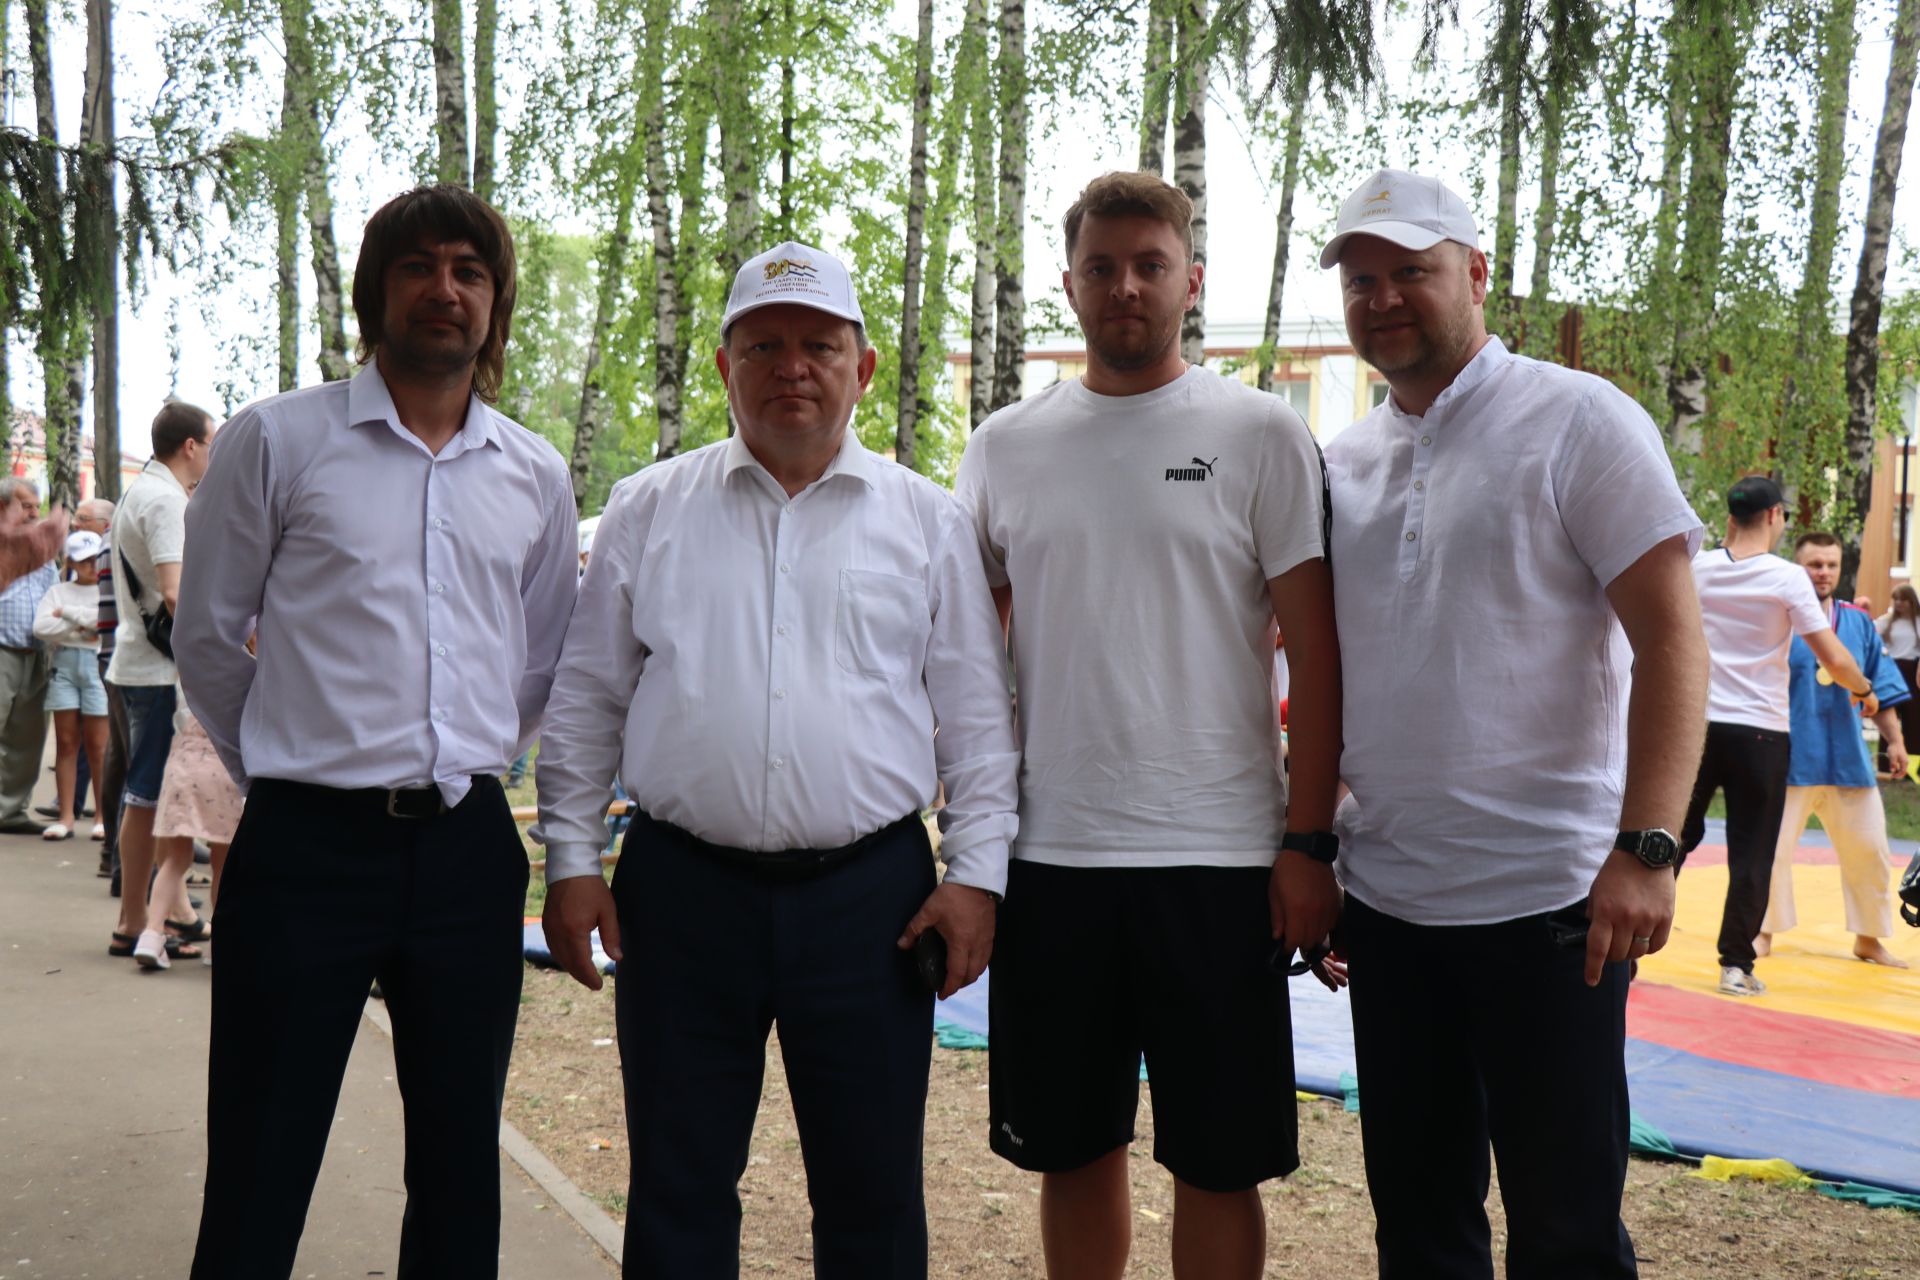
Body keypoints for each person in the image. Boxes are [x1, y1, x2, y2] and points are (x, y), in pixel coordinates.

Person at [534, 240, 1018, 1279]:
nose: (790, 366)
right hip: (681, 890)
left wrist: (977, 877)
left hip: (872, 901)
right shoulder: (648, 509)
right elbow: (586, 700)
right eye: (762, 345)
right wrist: (568, 860)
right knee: (676, 1181)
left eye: (817, 344)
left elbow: (979, 723)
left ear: (864, 365)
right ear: (722, 367)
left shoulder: (928, 523)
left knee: (873, 1189)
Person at [174, 185, 579, 1279]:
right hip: (308, 851)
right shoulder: (275, 440)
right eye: (417, 266)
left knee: (459, 1167)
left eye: (469, 270)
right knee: (262, 1154)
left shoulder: (535, 472)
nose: (444, 289)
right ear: (376, 292)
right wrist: (295, 775)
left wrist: (469, 757)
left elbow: (537, 660)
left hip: (464, 850)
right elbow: (209, 639)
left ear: (495, 304)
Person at [1318, 168, 1710, 1279]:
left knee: (1567, 1229)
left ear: (1477, 274)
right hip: (1390, 908)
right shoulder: (1342, 463)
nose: (1384, 297)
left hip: (1554, 908)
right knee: (1422, 1224)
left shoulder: (1580, 420)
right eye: (1362, 279)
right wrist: (1324, 845)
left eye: (1412, 272)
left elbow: (1677, 645)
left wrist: (1647, 849)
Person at [952, 172, 1340, 1280]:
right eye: (1103, 267)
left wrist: (1306, 842)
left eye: (1150, 265)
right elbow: (968, 660)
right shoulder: (1004, 446)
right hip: (1054, 857)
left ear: (1191, 281)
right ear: (1068, 287)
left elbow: (1315, 654)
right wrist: (975, 846)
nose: (1126, 286)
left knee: (1220, 1161)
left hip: (1219, 860)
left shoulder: (1262, 432)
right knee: (1073, 1149)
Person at [1682, 477, 1873, 996]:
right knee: (1752, 851)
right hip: (1761, 733)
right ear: (1773, 517)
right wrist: (1866, 691)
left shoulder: (1696, 569)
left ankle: (1624, 950)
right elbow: (1831, 654)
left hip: (1696, 727)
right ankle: (1735, 966)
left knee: (1673, 836)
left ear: (1730, 518)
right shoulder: (1787, 578)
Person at [1758, 532, 1912, 968]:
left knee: (1871, 853)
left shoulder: (1859, 623)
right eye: (1814, 564)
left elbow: (1879, 687)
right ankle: (1762, 931)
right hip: (1788, 758)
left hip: (1848, 759)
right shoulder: (1778, 620)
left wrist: (1896, 741)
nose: (1823, 572)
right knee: (1771, 852)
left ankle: (1869, 939)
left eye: (1831, 564)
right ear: (1797, 565)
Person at [109, 401, 214, 967]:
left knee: (150, 792)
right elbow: (175, 593)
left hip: (136, 659)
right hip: (156, 669)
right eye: (211, 444)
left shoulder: (139, 492)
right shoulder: (167, 500)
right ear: (190, 446)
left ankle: (168, 912)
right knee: (149, 794)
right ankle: (131, 920)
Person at [37, 499, 113, 831]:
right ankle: (66, 817)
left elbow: (105, 624)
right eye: (83, 561)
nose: (91, 566)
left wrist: (67, 618)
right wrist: (84, 628)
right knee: (67, 742)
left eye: (95, 559)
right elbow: (41, 628)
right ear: (70, 560)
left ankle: (101, 817)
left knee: (99, 745)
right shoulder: (57, 590)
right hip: (64, 667)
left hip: (96, 667)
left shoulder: (108, 590)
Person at [0, 478, 57, 835]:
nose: (35, 513)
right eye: (26, 506)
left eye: (37, 506)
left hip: (36, 653)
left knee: (28, 735)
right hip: (2, 648)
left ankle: (10, 811)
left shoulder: (43, 549)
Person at [1876, 584, 1920, 770]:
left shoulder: (1918, 621)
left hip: (1913, 671)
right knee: (1889, 715)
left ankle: (1912, 767)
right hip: (1891, 669)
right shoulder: (1886, 621)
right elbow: (1870, 637)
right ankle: (1887, 766)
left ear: (1911, 601)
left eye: (1903, 599)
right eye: (1896, 599)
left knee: (1914, 718)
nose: (1899, 603)